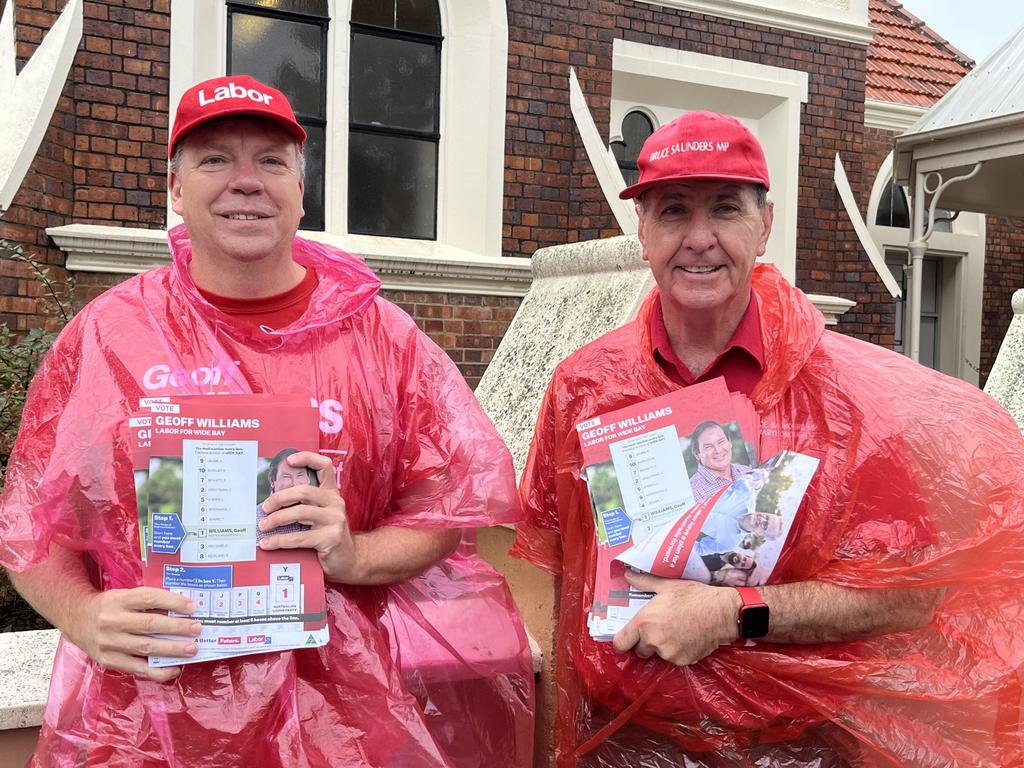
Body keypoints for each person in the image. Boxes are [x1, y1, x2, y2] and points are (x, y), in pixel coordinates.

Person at [0, 75, 532, 767]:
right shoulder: (108, 336)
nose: (245, 181)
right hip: (144, 729)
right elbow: (28, 520)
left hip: (338, 723)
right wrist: (80, 615)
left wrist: (355, 553)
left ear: (300, 190)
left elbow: (448, 507)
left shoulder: (381, 338)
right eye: (215, 158)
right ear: (174, 187)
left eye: (271, 160)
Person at [513, 110, 1024, 765]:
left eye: (724, 209)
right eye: (673, 212)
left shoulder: (843, 403)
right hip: (624, 744)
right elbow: (553, 582)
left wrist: (733, 613)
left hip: (796, 748)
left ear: (765, 225)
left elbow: (909, 594)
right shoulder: (584, 386)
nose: (699, 238)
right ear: (642, 231)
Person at [255, 447, 309, 542]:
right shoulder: (255, 520)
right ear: (272, 480)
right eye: (286, 477)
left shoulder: (320, 514)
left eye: (300, 475)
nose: (295, 484)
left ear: (308, 478)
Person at [688, 420, 751, 502]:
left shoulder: (747, 471)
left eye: (721, 442)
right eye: (708, 447)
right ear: (697, 454)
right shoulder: (691, 493)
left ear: (729, 442)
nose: (718, 450)